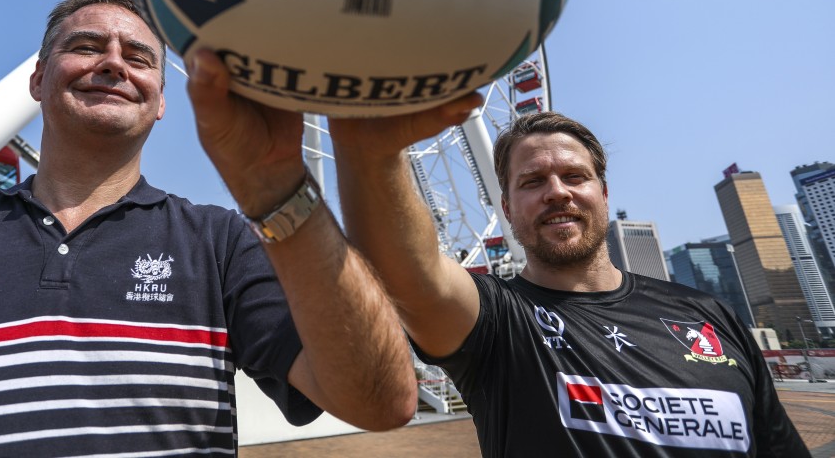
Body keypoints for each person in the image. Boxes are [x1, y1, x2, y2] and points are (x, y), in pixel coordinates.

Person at [0, 0, 419, 458]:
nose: (113, 63)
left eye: (139, 57)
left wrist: (282, 190)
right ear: (36, 79)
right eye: (84, 46)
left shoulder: (218, 243)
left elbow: (382, 401)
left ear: (159, 102)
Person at [329, 110, 810, 457]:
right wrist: (370, 142)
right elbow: (403, 267)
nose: (556, 191)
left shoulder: (707, 313)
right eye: (532, 181)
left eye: (573, 176)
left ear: (603, 192)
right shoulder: (498, 324)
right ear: (507, 208)